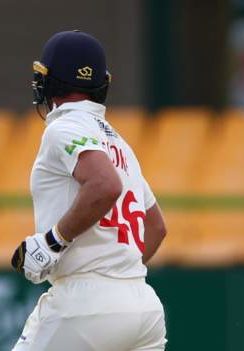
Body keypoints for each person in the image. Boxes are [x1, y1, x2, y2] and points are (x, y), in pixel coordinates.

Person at [10, 30, 167, 350]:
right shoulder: (120, 144)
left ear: (47, 82)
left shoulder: (63, 126)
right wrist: (118, 275)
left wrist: (52, 242)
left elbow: (105, 185)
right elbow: (156, 227)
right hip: (142, 305)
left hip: (83, 305)